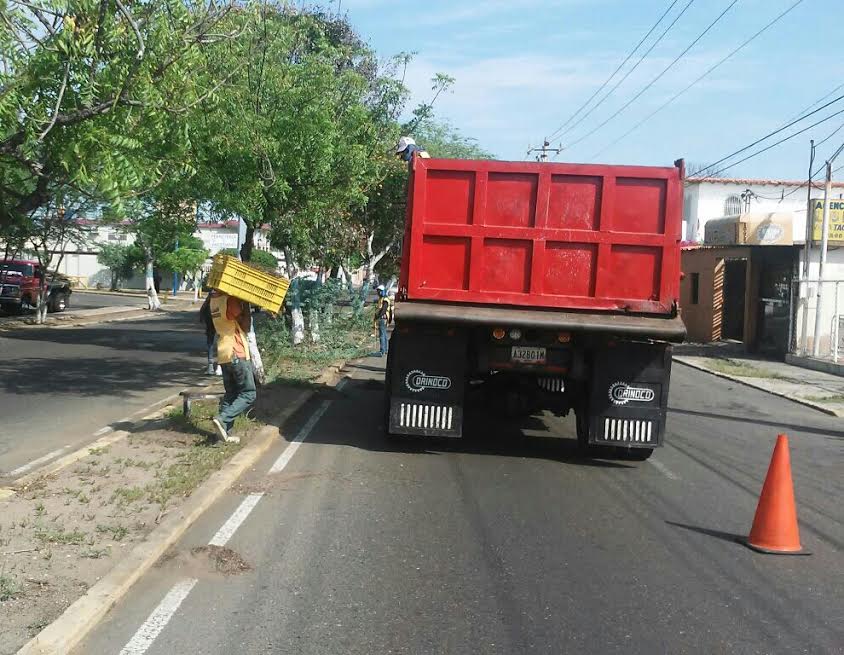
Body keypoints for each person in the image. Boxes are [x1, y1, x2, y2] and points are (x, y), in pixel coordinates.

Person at [209, 290, 255, 444]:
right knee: (248, 393)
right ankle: (222, 419)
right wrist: (246, 302)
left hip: (223, 352)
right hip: (236, 351)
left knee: (231, 394)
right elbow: (246, 325)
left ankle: (223, 436)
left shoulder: (214, 301)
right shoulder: (230, 300)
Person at [199, 292, 217, 375]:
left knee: (210, 342)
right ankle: (219, 366)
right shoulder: (225, 294)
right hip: (220, 321)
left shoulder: (212, 293)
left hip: (210, 320)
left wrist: (201, 317)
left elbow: (204, 306)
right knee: (221, 341)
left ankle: (210, 366)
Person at [374, 284, 393, 357]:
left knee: (382, 335)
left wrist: (378, 316)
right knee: (384, 334)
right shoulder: (382, 299)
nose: (378, 293)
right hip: (383, 318)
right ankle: (385, 350)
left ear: (382, 291)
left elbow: (384, 310)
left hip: (383, 318)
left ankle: (382, 351)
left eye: (379, 291)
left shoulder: (385, 299)